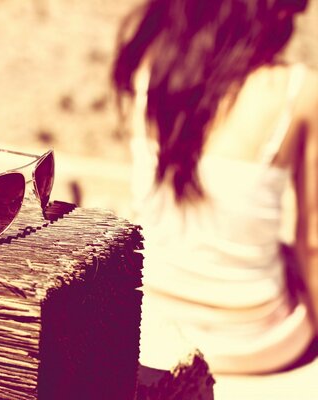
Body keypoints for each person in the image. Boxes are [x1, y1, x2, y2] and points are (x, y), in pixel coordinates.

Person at [111, 0, 317, 373]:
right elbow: (314, 244)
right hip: (253, 342)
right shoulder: (299, 91)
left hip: (153, 324)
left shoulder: (151, 68)